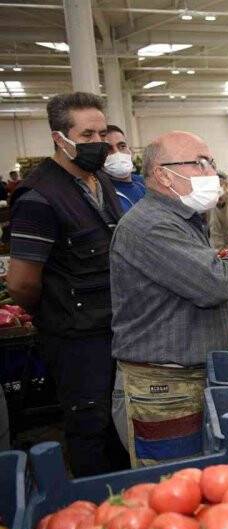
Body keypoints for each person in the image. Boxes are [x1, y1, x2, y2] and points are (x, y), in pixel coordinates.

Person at [111, 131, 228, 466]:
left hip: (182, 381)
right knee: (172, 483)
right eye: (199, 163)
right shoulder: (151, 226)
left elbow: (185, 284)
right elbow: (214, 282)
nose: (210, 172)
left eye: (211, 163)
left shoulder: (180, 220)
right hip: (162, 390)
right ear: (162, 174)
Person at [7, 92, 129, 476]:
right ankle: (91, 505)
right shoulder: (39, 197)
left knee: (116, 423)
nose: (99, 144)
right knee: (88, 426)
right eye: (88, 135)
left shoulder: (99, 182)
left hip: (111, 327)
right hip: (75, 338)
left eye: (102, 134)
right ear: (60, 139)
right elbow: (22, 283)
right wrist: (57, 312)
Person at [102, 125, 145, 212]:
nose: (117, 153)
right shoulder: (104, 195)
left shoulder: (145, 183)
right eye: (108, 149)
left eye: (122, 146)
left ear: (130, 151)